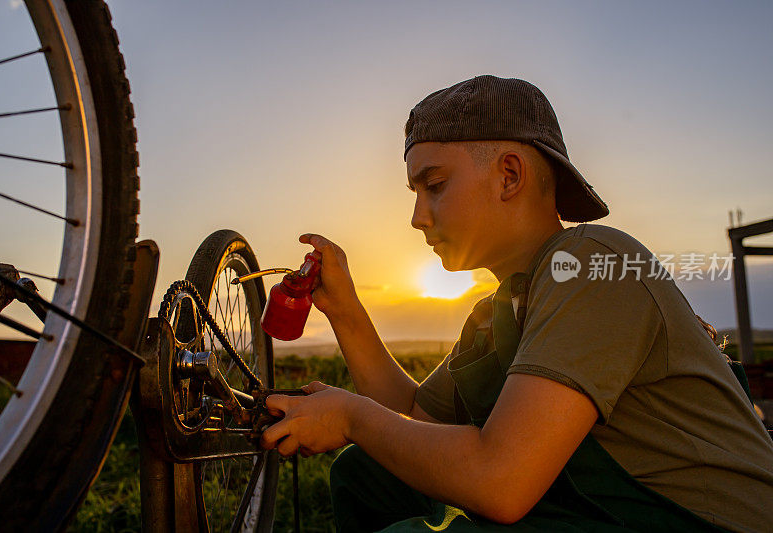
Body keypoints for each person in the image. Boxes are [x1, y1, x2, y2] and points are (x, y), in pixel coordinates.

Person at [260, 75, 773, 532]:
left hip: (699, 520)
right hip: (594, 512)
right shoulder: (496, 313)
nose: (417, 217)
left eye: (434, 186)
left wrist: (351, 417)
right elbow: (415, 415)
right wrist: (346, 311)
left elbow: (500, 481)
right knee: (366, 473)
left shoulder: (592, 263)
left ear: (509, 175)